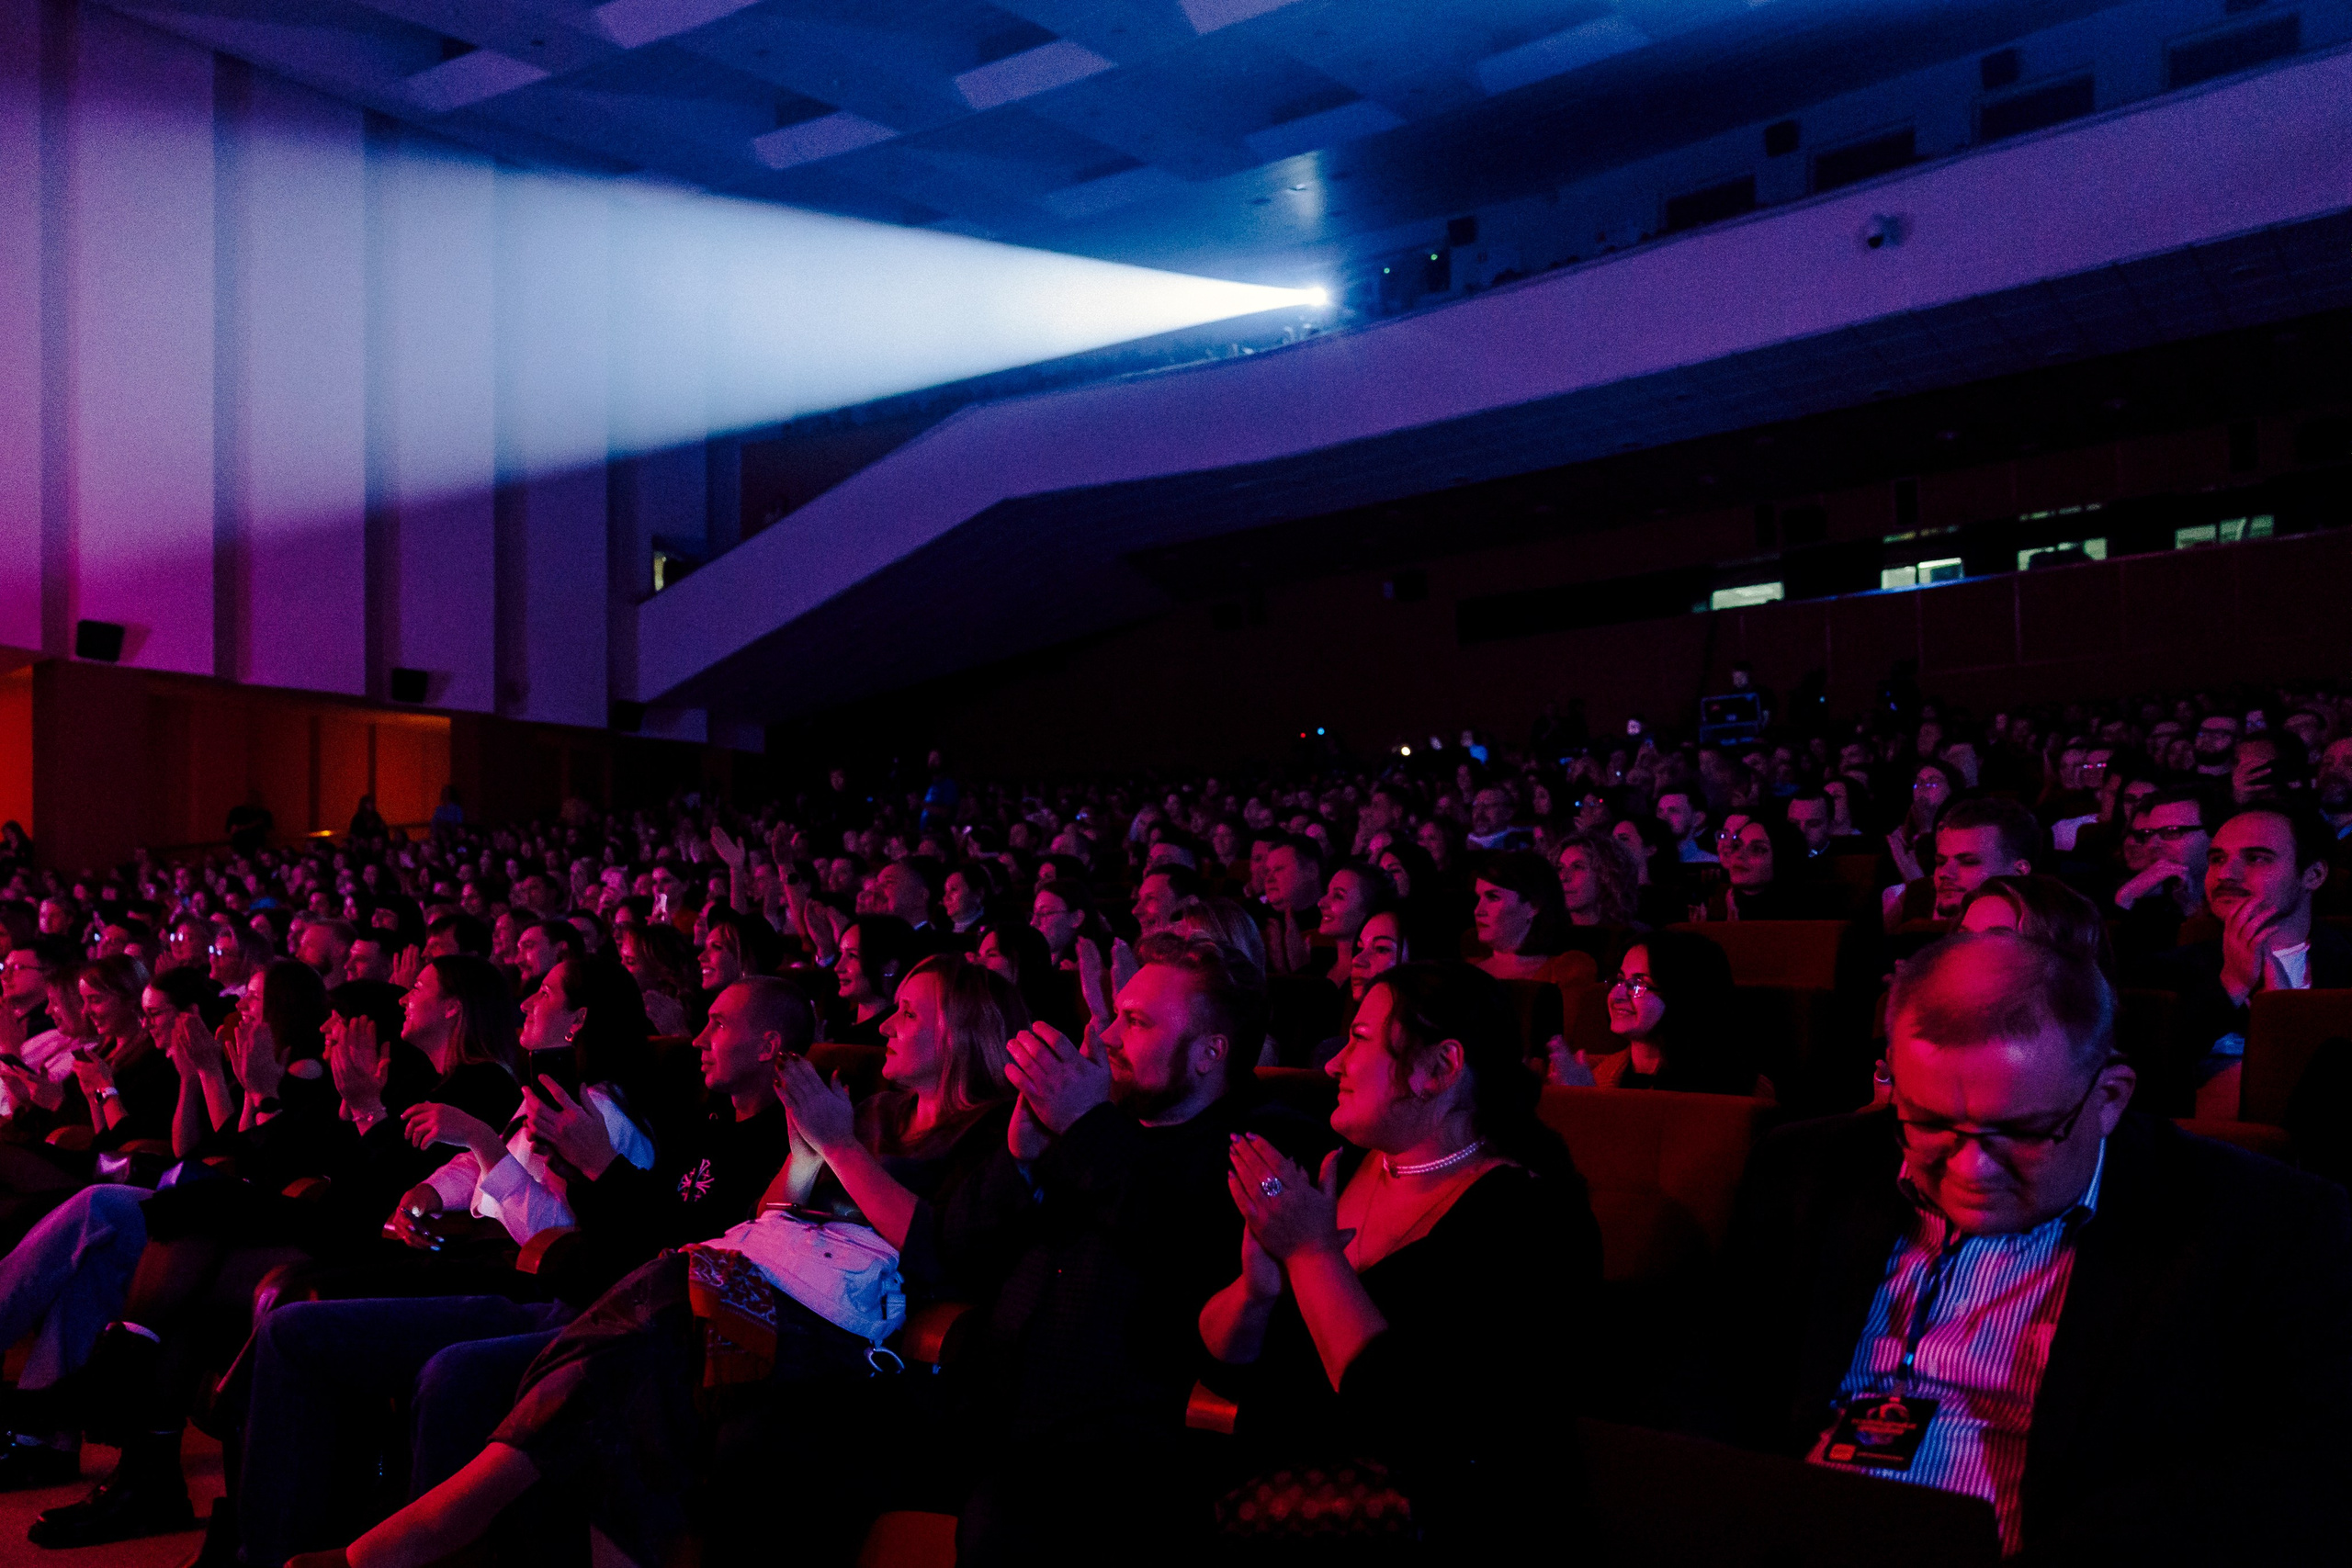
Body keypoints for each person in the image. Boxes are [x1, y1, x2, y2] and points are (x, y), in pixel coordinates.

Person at [302, 958, 1026, 1568]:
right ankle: (428, 1530)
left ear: (959, 1031)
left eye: (907, 1013)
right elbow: (770, 1215)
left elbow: (941, 1249)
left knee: (631, 1338)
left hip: (834, 1327)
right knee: (623, 1367)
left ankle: (423, 1530)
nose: (888, 1024)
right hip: (759, 1281)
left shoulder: (991, 1131)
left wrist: (837, 1147)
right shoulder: (872, 1111)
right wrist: (809, 1147)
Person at [1709, 933, 2351, 1560]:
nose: (1971, 1169)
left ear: (2108, 1097)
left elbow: (2297, 1469)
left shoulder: (2265, 1223)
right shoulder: (1804, 1169)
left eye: (2018, 1131)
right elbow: (1718, 1371)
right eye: (1929, 1123)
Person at [237, 976, 809, 1568]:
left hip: (616, 1322)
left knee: (452, 1373)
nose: (696, 1039)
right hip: (567, 1294)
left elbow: (677, 1260)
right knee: (292, 1327)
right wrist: (578, 1170)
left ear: (769, 1045)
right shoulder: (703, 1120)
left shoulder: (782, 1146)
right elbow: (623, 1231)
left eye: (718, 1024)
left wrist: (596, 1165)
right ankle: (264, 1555)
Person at [947, 933, 1329, 1564]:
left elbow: (1185, 1249)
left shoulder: (1267, 1143)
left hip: (1120, 1446)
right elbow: (957, 1250)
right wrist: (1021, 1158)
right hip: (984, 1408)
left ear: (1210, 1053)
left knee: (1006, 1524)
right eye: (1114, 1015)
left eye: (1137, 1021)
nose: (1110, 1037)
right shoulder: (1090, 1124)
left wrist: (1087, 1126)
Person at [1199, 962, 1600, 1557]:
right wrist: (1256, 1292)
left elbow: (1413, 1428)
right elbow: (1220, 1371)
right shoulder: (1340, 1164)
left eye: (1360, 1038)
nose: (1334, 1062)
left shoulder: (1527, 1218)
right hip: (1286, 1503)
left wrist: (1311, 1255)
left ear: (1439, 1068)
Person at [2153, 802, 2352, 1115]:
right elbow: (2149, 1071)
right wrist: (2231, 986)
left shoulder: (2345, 963)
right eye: (2217, 859)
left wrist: (2284, 1013)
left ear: (2313, 875)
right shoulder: (2165, 970)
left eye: (2257, 858)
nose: (2226, 874)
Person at [1581, 931, 1763, 1096]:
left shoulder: (1740, 1087)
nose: (1618, 995)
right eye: (1620, 980)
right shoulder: (1593, 1072)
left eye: (1638, 984)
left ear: (1682, 997)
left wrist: (1587, 1101)